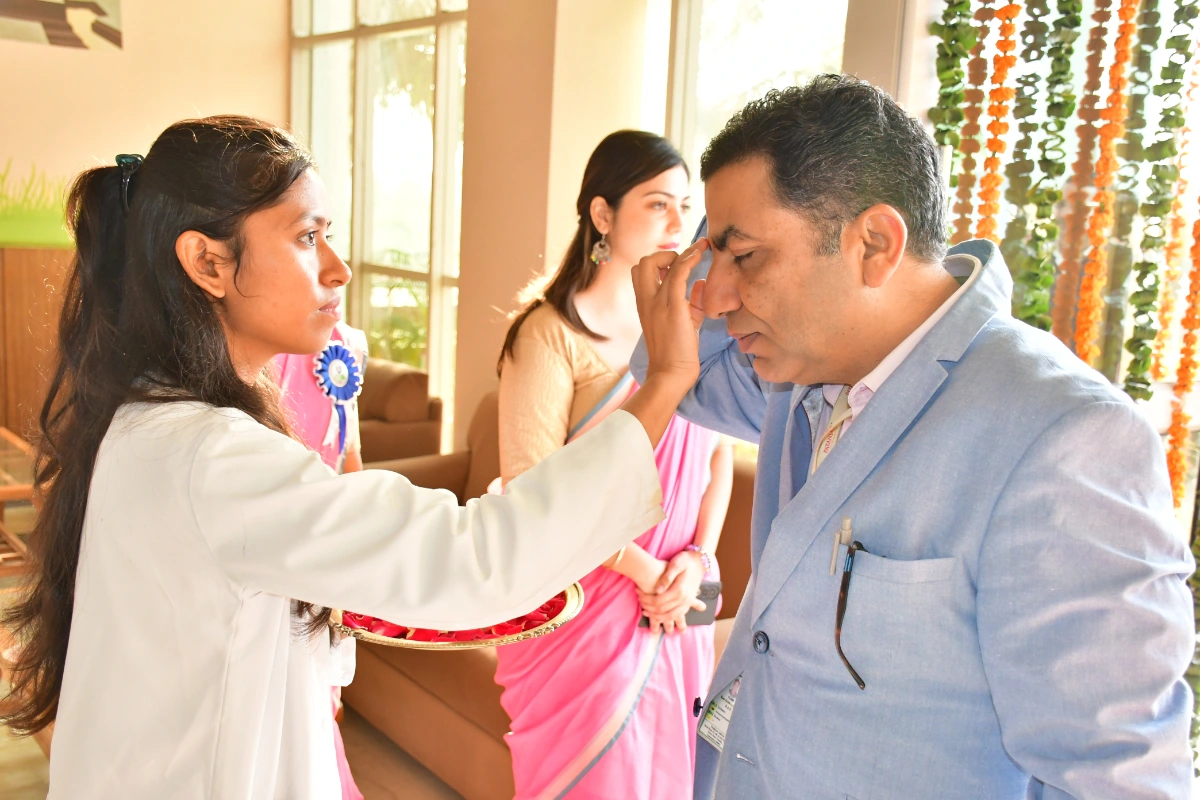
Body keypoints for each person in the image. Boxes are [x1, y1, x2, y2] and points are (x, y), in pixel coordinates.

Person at [0, 115, 707, 799]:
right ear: (208, 262)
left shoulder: (150, 421)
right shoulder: (210, 460)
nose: (338, 270)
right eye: (307, 238)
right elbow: (478, 560)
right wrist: (668, 379)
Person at [631, 75, 1195, 798]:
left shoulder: (1065, 437)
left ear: (874, 244)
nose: (715, 296)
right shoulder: (793, 375)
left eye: (745, 256)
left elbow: (1116, 776)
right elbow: (677, 371)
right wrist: (715, 248)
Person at [495, 130, 734, 800]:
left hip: (679, 600)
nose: (677, 223)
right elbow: (532, 490)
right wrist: (648, 572)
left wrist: (695, 561)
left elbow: (718, 454)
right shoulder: (549, 336)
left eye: (684, 206)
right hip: (586, 611)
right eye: (657, 204)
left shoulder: (693, 326)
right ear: (603, 214)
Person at [273, 320, 370, 800]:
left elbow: (350, 461)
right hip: (271, 559)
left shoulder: (345, 347)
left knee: (317, 713)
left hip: (325, 564)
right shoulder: (251, 345)